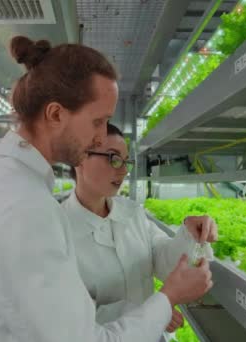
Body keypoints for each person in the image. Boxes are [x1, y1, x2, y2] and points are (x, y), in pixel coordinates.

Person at [0, 35, 213, 342]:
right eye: (98, 121)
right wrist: (168, 297)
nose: (100, 137)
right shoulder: (25, 205)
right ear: (55, 114)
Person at [62, 123, 218, 334]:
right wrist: (154, 311)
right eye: (113, 158)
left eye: (127, 161)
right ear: (79, 159)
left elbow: (161, 257)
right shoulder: (58, 228)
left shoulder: (131, 212)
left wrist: (188, 234)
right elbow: (70, 318)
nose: (124, 170)